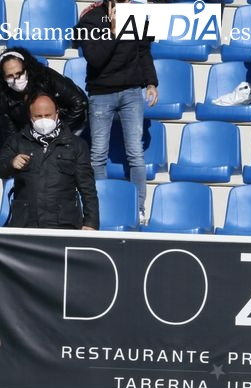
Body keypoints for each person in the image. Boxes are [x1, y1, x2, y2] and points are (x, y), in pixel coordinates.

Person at [75, 0, 159, 223]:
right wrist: (113, 29)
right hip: (101, 93)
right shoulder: (91, 19)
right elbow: (95, 58)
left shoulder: (137, 17)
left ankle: (138, 208)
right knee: (98, 154)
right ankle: (101, 208)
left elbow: (143, 52)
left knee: (135, 153)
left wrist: (151, 82)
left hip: (131, 91)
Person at [0, 92, 98, 230]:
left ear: (57, 113)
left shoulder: (76, 144)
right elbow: (1, 169)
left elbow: (87, 187)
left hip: (65, 224)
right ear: (30, 116)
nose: (43, 120)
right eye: (38, 116)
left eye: (48, 115)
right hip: (25, 223)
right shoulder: (16, 141)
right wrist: (11, 163)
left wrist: (91, 223)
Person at [0, 47, 88, 147]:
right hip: (31, 132)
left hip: (67, 122)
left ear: (27, 68)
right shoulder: (3, 94)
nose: (16, 79)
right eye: (10, 76)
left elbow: (79, 103)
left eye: (19, 73)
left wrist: (59, 131)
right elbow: (9, 130)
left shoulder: (47, 77)